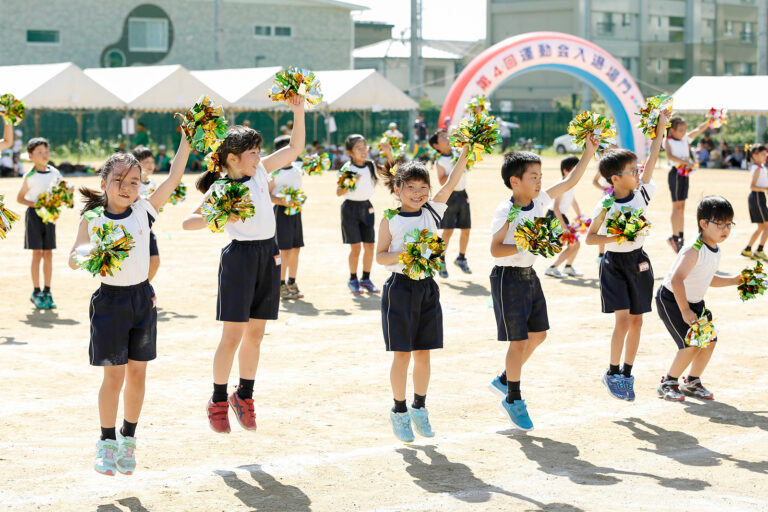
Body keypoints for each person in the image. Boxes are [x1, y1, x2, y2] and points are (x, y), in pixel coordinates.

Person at [67, 135, 190, 476]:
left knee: (138, 373)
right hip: (109, 303)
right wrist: (89, 254)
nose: (126, 187)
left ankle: (128, 439)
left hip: (141, 300)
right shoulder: (93, 219)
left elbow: (173, 179)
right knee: (114, 377)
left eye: (133, 181)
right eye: (118, 180)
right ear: (104, 182)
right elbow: (74, 258)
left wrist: (185, 142)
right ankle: (106, 442)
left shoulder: (143, 210)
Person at [182, 95, 305, 435]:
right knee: (232, 336)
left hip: (269, 255)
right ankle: (218, 400)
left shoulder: (261, 170)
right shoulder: (222, 187)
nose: (258, 157)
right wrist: (220, 213)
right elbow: (187, 222)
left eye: (258, 151)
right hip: (239, 259)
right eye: (251, 153)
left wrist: (297, 111)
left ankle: (244, 396)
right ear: (232, 159)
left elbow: (294, 148)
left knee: (257, 334)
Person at [488, 135, 598, 431]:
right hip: (507, 278)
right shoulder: (506, 211)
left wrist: (589, 150)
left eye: (540, 177)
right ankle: (513, 397)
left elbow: (571, 181)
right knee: (519, 340)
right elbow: (496, 250)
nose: (539, 182)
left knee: (539, 335)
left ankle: (503, 379)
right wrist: (525, 244)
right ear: (515, 181)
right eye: (533, 177)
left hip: (529, 276)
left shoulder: (540, 200)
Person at [376, 145, 469, 443]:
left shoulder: (432, 209)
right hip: (400, 289)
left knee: (424, 354)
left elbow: (452, 182)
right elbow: (380, 257)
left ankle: (420, 407)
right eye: (411, 188)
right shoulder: (390, 217)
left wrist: (465, 152)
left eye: (423, 188)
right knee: (402, 355)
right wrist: (407, 254)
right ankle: (399, 411)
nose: (418, 193)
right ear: (398, 188)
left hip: (427, 288)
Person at [585, 109, 671, 401]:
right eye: (632, 171)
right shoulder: (605, 204)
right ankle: (611, 373)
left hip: (639, 260)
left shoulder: (643, 193)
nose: (638, 174)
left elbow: (655, 153)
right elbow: (590, 238)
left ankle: (626, 373)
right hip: (614, 264)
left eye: (637, 170)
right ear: (614, 178)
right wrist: (617, 236)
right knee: (622, 321)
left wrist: (660, 127)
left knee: (637, 321)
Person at [656, 196, 741, 401]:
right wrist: (685, 310)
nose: (726, 229)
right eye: (720, 223)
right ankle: (668, 382)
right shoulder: (694, 249)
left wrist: (735, 280)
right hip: (673, 300)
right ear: (703, 223)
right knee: (691, 344)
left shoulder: (715, 248)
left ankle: (692, 381)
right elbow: (677, 280)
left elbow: (707, 278)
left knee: (709, 340)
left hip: (694, 302)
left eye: (729, 224)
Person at [16, 137, 62, 309]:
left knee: (48, 253)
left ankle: (47, 291)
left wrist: (57, 201)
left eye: (46, 151)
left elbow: (60, 193)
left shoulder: (55, 173)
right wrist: (39, 205)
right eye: (39, 152)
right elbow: (20, 198)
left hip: (49, 216)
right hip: (34, 216)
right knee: (37, 253)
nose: (44, 155)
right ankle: (36, 291)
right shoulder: (30, 176)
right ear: (30, 156)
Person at [337, 134, 382, 295]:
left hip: (367, 207)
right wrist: (351, 180)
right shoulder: (347, 169)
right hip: (350, 209)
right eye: (359, 149)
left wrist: (389, 154)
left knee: (369, 245)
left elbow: (390, 172)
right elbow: (339, 192)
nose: (364, 151)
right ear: (349, 152)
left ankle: (366, 278)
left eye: (365, 148)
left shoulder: (371, 165)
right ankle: (353, 279)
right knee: (355, 248)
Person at [428, 129, 472, 277]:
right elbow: (441, 181)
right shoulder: (440, 161)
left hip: (462, 195)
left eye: (446, 135)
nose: (446, 138)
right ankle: (441, 259)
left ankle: (461, 258)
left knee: (466, 229)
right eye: (442, 137)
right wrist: (456, 167)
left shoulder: (458, 152)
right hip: (450, 197)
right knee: (448, 230)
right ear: (436, 145)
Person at [664, 116, 708, 253]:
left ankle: (680, 238)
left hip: (684, 174)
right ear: (672, 130)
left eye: (685, 129)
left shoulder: (685, 139)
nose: (684, 132)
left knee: (682, 206)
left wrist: (711, 120)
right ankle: (674, 237)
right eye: (680, 129)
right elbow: (670, 156)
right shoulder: (668, 140)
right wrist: (686, 162)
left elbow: (699, 129)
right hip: (676, 174)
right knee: (676, 206)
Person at [270, 135, 305, 300]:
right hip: (281, 213)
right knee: (284, 250)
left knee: (296, 248)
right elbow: (268, 194)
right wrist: (281, 201)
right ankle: (280, 284)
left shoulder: (298, 168)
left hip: (296, 212)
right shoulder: (274, 172)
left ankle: (292, 282)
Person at [544, 156, 585, 278]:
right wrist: (564, 226)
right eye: (575, 170)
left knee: (576, 244)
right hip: (554, 217)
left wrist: (580, 216)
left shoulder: (569, 184)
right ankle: (552, 268)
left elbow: (573, 201)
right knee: (573, 243)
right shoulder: (561, 185)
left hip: (560, 216)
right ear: (566, 171)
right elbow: (556, 207)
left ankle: (568, 267)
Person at [132, 146, 161, 282]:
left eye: (152, 162)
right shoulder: (132, 182)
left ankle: (144, 289)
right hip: (131, 228)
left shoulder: (152, 184)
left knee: (154, 261)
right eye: (146, 162)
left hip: (146, 229)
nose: (150, 165)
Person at [741, 144, 768, 260]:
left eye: (766, 154)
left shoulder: (761, 167)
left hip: (759, 197)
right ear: (755, 156)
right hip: (756, 197)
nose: (765, 156)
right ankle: (759, 250)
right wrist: (765, 189)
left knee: (761, 227)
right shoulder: (757, 168)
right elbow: (752, 186)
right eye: (763, 154)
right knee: (766, 226)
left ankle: (747, 249)